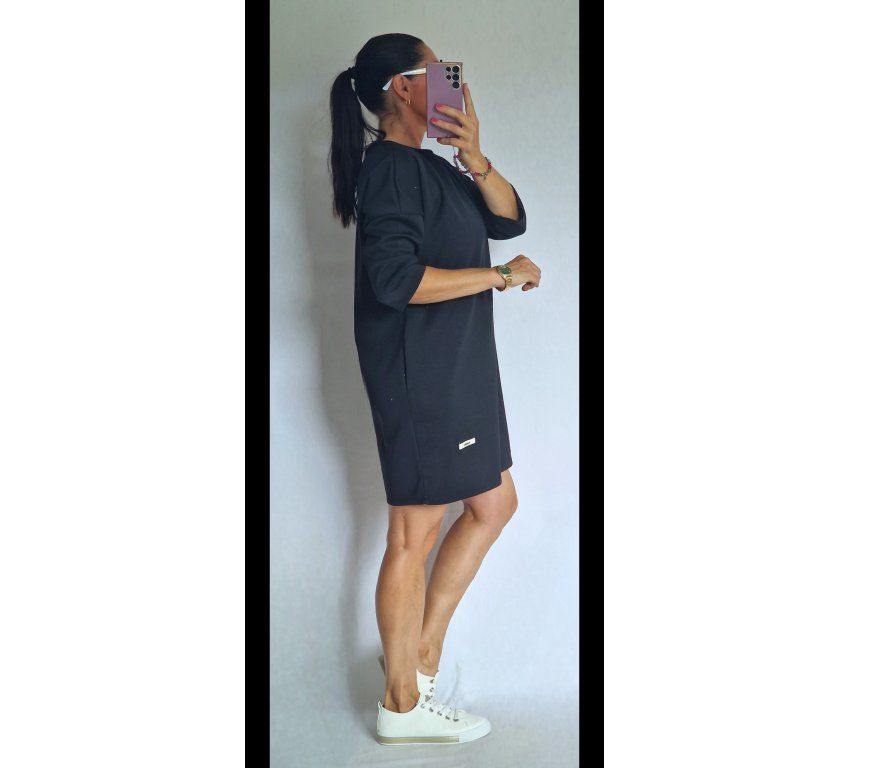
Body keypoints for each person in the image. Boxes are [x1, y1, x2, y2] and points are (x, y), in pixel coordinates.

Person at [329, 33, 542, 746]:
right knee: (413, 533)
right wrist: (499, 277)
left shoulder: (433, 167)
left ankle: (418, 657)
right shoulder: (388, 170)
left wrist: (473, 154)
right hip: (418, 373)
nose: (455, 79)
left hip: (457, 367)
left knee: (493, 502)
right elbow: (396, 281)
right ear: (403, 86)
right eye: (439, 71)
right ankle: (401, 704)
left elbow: (508, 217)